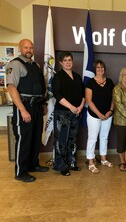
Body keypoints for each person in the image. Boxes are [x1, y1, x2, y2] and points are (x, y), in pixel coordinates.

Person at [5, 39, 49, 182]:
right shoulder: (15, 64)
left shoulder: (35, 65)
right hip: (24, 106)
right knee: (24, 139)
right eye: (26, 47)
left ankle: (33, 165)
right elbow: (11, 88)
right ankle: (21, 172)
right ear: (20, 48)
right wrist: (23, 110)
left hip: (36, 106)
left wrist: (43, 105)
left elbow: (40, 88)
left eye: (31, 47)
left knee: (35, 137)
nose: (29, 50)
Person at [52, 51, 85, 176]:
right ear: (61, 62)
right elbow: (57, 94)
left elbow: (83, 94)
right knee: (62, 140)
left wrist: (80, 107)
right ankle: (61, 165)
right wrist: (71, 107)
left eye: (69, 60)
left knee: (73, 139)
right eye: (65, 60)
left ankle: (72, 163)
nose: (68, 62)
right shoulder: (58, 77)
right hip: (62, 113)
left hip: (76, 112)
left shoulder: (77, 76)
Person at [85, 60, 115, 174]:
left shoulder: (110, 82)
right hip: (94, 115)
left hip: (107, 115)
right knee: (92, 138)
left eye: (102, 67)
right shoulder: (90, 83)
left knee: (104, 137)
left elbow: (113, 99)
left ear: (104, 69)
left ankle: (103, 159)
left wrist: (110, 111)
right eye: (98, 68)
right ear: (95, 69)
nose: (100, 69)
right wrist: (99, 114)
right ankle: (91, 162)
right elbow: (89, 101)